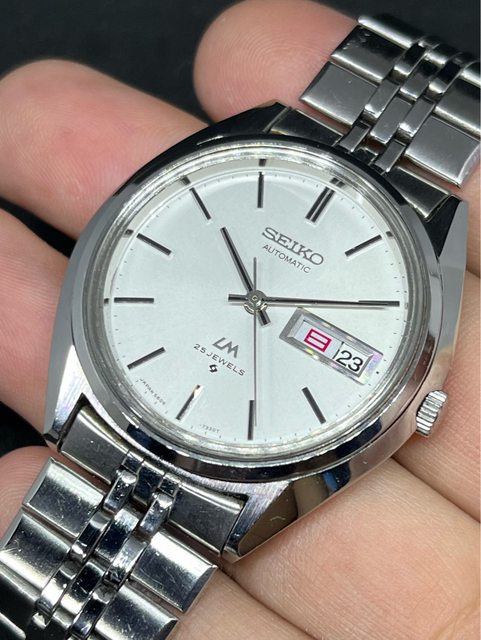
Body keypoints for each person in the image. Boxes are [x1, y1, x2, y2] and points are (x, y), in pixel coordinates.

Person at [0, 1, 478, 637]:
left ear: (420, 400)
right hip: (104, 408)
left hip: (228, 493)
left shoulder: (421, 260)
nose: (257, 302)